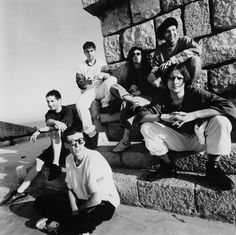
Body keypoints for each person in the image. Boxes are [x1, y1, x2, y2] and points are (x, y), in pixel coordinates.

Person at [140, 64, 236, 190]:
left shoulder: (196, 93)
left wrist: (194, 115)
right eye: (171, 78)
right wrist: (163, 116)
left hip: (201, 139)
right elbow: (141, 116)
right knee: (146, 127)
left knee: (221, 121)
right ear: (166, 81)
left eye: (179, 78)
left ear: (185, 80)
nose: (175, 82)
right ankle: (168, 167)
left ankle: (213, 168)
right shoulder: (162, 98)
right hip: (177, 140)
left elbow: (228, 107)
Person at [0, 90, 83, 205]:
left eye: (52, 101)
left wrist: (40, 130)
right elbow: (49, 121)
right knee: (38, 161)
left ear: (60, 100)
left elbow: (61, 126)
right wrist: (51, 124)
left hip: (70, 145)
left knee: (55, 132)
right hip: (56, 147)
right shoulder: (49, 113)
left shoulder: (68, 110)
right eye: (48, 101)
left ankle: (55, 164)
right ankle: (20, 191)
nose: (50, 104)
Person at [33, 127, 120, 234]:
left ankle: (61, 227)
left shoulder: (94, 159)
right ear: (66, 145)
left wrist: (80, 210)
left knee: (81, 222)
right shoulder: (69, 159)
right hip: (81, 199)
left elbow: (96, 199)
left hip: (104, 203)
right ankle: (69, 223)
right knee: (39, 202)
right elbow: (70, 188)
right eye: (72, 142)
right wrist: (74, 209)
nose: (77, 145)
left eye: (80, 141)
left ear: (84, 141)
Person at [110, 47, 158, 152]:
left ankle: (125, 140)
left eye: (138, 54)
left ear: (142, 56)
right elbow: (124, 87)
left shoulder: (148, 69)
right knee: (114, 87)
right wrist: (130, 89)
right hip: (132, 97)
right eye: (133, 55)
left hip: (146, 97)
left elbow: (154, 87)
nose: (136, 56)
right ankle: (132, 101)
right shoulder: (130, 72)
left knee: (125, 104)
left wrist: (140, 91)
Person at [75, 41, 117, 142]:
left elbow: (110, 75)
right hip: (89, 91)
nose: (90, 53)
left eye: (91, 51)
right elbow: (80, 83)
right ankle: (90, 131)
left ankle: (106, 103)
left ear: (95, 51)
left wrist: (104, 75)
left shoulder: (102, 63)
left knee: (112, 80)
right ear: (84, 53)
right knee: (79, 105)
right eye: (87, 51)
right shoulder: (81, 66)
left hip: (101, 88)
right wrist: (90, 81)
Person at [148, 17, 202, 88]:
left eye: (173, 30)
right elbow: (155, 68)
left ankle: (191, 88)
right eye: (168, 31)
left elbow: (198, 50)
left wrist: (173, 60)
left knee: (196, 60)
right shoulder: (159, 50)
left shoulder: (184, 40)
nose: (171, 34)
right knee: (151, 77)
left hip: (187, 78)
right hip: (171, 81)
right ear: (163, 35)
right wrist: (161, 69)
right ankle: (168, 91)